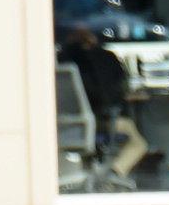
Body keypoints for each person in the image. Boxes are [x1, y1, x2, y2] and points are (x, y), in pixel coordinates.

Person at [58, 23, 151, 181]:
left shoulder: (60, 60)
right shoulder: (106, 58)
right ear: (92, 39)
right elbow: (119, 90)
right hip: (102, 121)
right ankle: (115, 173)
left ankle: (90, 176)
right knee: (139, 143)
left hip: (65, 124)